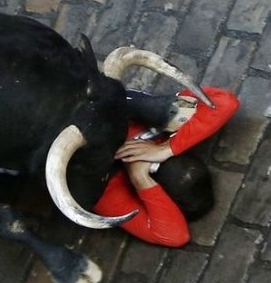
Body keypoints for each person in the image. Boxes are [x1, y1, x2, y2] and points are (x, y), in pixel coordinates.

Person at [93, 86, 239, 247]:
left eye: (151, 168)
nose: (143, 155)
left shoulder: (107, 191)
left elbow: (175, 236)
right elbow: (225, 102)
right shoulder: (170, 128)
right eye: (162, 159)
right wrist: (167, 148)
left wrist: (141, 179)